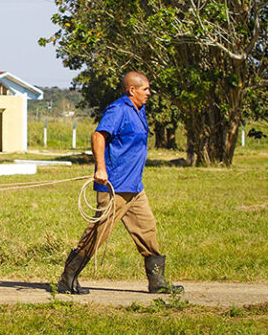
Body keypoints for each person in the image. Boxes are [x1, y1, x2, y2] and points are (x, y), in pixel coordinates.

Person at [55, 71, 183, 295]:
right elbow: (98, 136)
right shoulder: (118, 110)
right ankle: (68, 278)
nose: (149, 93)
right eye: (145, 89)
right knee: (98, 232)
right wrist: (101, 168)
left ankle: (157, 281)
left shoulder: (139, 111)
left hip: (134, 187)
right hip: (115, 186)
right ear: (132, 90)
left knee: (148, 230)